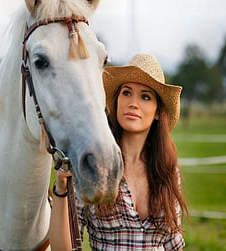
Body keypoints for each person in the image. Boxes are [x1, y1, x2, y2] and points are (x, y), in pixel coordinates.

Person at [49, 54, 188, 250]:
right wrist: (61, 188)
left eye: (145, 96)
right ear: (116, 101)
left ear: (158, 112)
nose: (133, 103)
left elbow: (174, 246)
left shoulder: (166, 169)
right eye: (127, 92)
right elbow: (63, 248)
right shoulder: (93, 165)